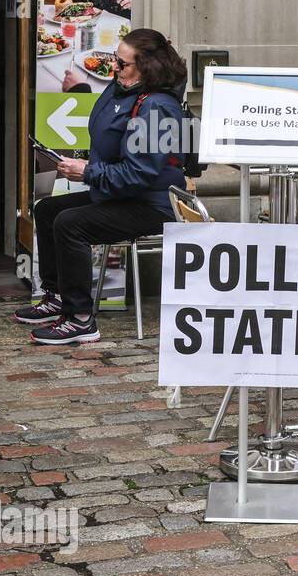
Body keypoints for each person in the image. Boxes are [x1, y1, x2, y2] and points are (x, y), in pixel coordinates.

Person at [15, 29, 187, 344]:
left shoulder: (159, 108)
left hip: (153, 204)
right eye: (115, 62)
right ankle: (57, 296)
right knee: (47, 209)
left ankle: (80, 319)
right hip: (123, 194)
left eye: (122, 64)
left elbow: (140, 174)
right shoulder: (123, 88)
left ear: (146, 67)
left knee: (71, 223)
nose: (114, 69)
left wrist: (90, 172)